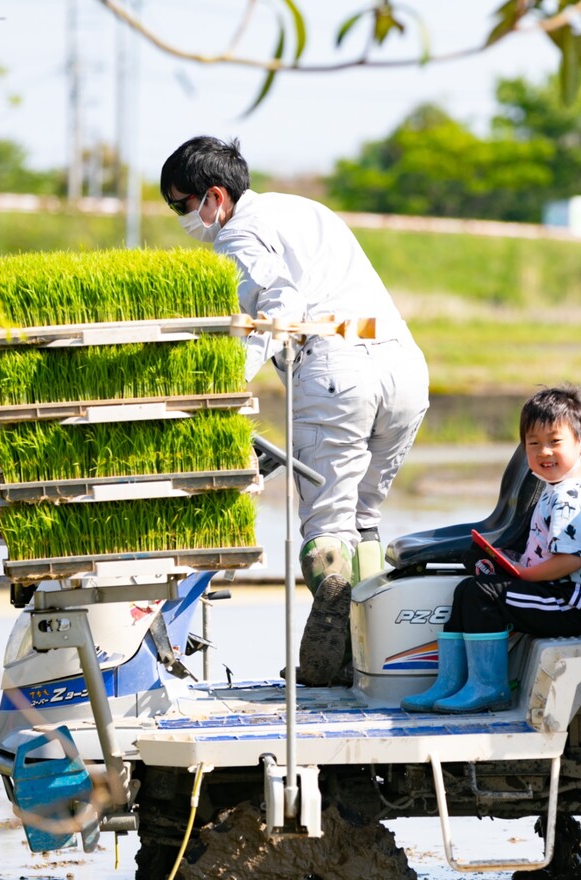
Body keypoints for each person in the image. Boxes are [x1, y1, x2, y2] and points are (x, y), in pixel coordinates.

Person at [160, 136, 430, 685]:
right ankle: (372, 658)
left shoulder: (237, 232)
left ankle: (329, 661)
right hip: (404, 367)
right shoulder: (307, 209)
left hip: (337, 373)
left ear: (215, 196)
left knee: (328, 529)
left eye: (181, 205)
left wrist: (227, 380)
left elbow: (280, 304)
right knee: (363, 518)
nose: (182, 217)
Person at [402, 386, 581, 714]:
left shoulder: (571, 499)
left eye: (555, 442)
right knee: (468, 589)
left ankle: (489, 687)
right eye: (534, 444)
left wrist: (524, 575)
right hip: (553, 591)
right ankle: (450, 682)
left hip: (571, 601)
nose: (544, 452)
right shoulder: (554, 489)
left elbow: (569, 560)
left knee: (484, 594)